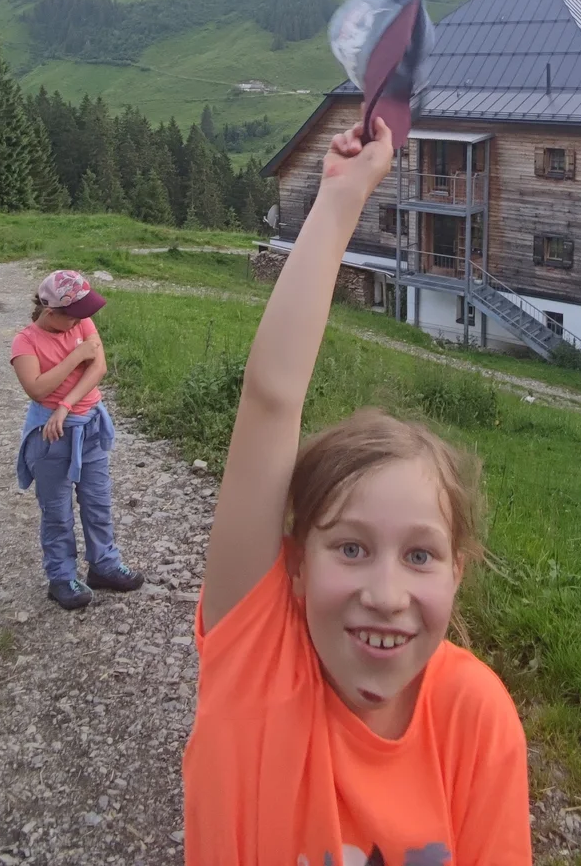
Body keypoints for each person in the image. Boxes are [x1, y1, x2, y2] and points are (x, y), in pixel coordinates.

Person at [183, 118, 532, 864]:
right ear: (295, 564)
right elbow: (272, 398)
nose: (385, 591)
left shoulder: (475, 719)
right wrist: (340, 200)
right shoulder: (260, 662)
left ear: (457, 571)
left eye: (420, 555)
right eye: (350, 546)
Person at [12, 269, 145, 610]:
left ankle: (104, 565)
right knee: (57, 512)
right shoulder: (25, 342)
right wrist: (77, 356)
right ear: (50, 312)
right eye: (72, 316)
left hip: (88, 427)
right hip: (50, 436)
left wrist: (66, 405)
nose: (81, 322)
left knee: (98, 502)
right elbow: (37, 388)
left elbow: (98, 367)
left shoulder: (80, 321)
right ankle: (61, 577)